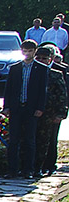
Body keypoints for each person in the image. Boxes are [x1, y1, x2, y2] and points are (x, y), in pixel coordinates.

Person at [1, 39, 47, 178]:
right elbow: (8, 89)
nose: (27, 54)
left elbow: (42, 91)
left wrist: (40, 107)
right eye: (25, 51)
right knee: (13, 140)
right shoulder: (15, 68)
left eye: (30, 51)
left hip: (31, 108)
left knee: (29, 140)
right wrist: (7, 106)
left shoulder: (41, 68)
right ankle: (12, 170)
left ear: (34, 51)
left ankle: (28, 170)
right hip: (16, 108)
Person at [34, 44, 66, 176]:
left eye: (44, 58)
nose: (41, 60)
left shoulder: (56, 74)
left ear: (50, 59)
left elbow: (62, 95)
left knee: (49, 140)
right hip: (34, 112)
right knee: (34, 139)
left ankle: (48, 165)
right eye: (39, 58)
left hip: (51, 113)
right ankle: (34, 166)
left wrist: (60, 113)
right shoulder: (32, 71)